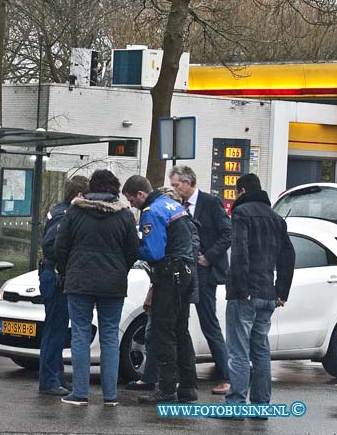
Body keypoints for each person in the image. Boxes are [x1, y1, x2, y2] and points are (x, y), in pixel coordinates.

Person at [55, 170, 140, 407]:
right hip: (113, 284)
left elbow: (61, 247)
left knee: (81, 334)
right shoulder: (124, 215)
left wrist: (66, 270)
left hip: (79, 281)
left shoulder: (75, 212)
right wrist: (119, 268)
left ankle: (80, 393)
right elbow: (134, 250)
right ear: (114, 188)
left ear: (91, 188)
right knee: (110, 336)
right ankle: (110, 396)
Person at [123, 175, 198, 404]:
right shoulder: (174, 205)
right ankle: (187, 387)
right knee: (181, 332)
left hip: (169, 275)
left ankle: (165, 389)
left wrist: (134, 247)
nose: (130, 204)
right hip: (186, 273)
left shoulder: (152, 211)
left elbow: (154, 252)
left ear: (141, 195)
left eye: (131, 199)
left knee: (163, 332)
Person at [225, 173, 295, 409]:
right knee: (261, 351)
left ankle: (235, 404)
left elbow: (239, 253)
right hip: (267, 294)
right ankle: (261, 405)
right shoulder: (277, 218)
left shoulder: (241, 214)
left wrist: (241, 289)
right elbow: (288, 255)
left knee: (239, 353)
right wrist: (281, 292)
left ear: (241, 191)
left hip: (245, 295)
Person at [169, 165, 232, 395]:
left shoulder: (209, 203)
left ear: (188, 182)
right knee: (179, 321)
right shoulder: (177, 206)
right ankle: (181, 376)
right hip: (184, 270)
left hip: (205, 271)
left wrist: (209, 256)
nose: (175, 190)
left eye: (177, 185)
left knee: (209, 322)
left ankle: (226, 376)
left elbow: (228, 232)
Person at [37, 175, 89, 397]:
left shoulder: (59, 211)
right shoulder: (65, 215)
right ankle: (50, 380)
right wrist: (65, 265)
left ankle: (56, 376)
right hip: (56, 276)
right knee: (55, 330)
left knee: (56, 328)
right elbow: (52, 245)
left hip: (53, 275)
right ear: (79, 195)